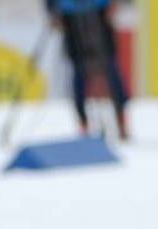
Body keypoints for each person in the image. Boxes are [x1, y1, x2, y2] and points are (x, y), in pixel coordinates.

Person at [45, 0, 129, 139]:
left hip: (99, 14)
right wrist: (52, 11)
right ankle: (83, 124)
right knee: (79, 74)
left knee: (111, 71)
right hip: (71, 18)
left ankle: (121, 120)